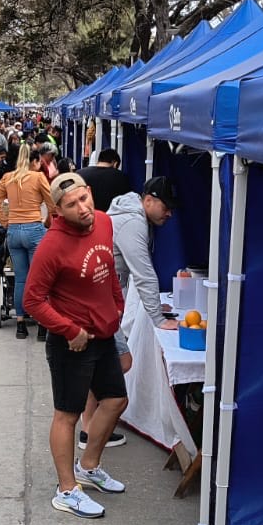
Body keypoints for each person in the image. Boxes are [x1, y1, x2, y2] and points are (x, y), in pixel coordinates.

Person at [23, 174, 129, 519]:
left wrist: (117, 305)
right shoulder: (52, 245)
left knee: (116, 400)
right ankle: (66, 489)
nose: (82, 208)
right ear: (57, 210)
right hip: (73, 345)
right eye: (72, 205)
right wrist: (69, 330)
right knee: (67, 416)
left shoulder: (103, 222)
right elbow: (32, 300)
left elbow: (109, 269)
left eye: (84, 199)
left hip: (103, 335)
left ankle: (89, 467)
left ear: (91, 193)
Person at [79, 177, 180, 450]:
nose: (169, 213)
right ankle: (91, 431)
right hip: (98, 303)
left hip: (99, 300)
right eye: (165, 206)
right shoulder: (133, 223)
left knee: (103, 362)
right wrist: (158, 318)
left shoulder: (129, 214)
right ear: (148, 199)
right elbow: (143, 273)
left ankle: (89, 428)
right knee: (118, 363)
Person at [0, 146, 52, 340]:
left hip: (14, 230)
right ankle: (42, 325)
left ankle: (20, 324)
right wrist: (47, 221)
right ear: (34, 161)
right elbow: (52, 204)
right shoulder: (39, 178)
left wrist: (6, 220)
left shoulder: (8, 178)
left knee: (21, 279)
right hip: (34, 228)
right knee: (39, 279)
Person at [80, 148, 133, 212]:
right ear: (115, 164)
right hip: (110, 218)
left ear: (99, 160)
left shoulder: (80, 174)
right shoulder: (121, 177)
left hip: (84, 215)